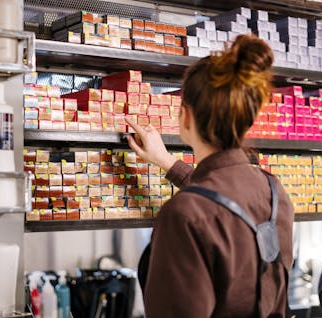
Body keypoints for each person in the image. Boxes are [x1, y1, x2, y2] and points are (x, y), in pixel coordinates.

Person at [124, 34, 294, 317]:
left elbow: (210, 211)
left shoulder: (183, 214)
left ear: (185, 116)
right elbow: (222, 205)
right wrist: (167, 162)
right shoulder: (274, 192)